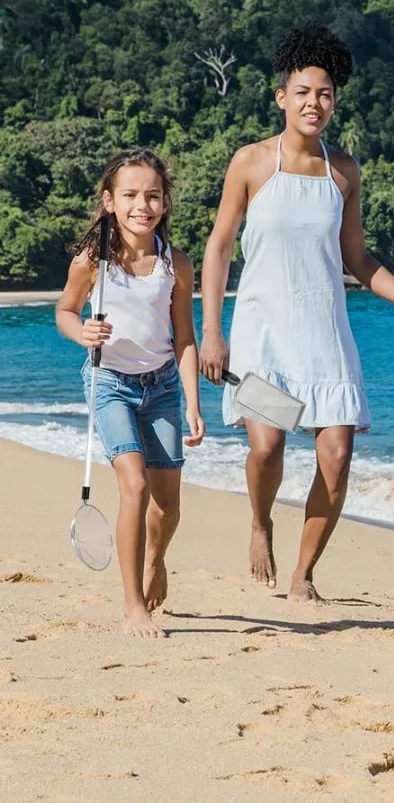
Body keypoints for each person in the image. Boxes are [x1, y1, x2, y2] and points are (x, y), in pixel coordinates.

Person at [200, 22, 394, 601]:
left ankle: (303, 574)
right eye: (302, 92)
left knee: (337, 452)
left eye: (324, 94)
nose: (314, 103)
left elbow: (358, 258)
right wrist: (211, 333)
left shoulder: (343, 171)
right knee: (267, 445)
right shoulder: (250, 163)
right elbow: (220, 247)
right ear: (281, 97)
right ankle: (260, 520)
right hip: (260, 335)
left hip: (325, 334)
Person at [56, 149, 205, 639]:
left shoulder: (175, 265)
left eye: (153, 195)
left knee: (170, 505)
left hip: (162, 387)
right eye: (131, 195)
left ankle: (156, 560)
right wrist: (80, 333)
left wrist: (193, 402)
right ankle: (132, 606)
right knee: (135, 487)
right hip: (109, 384)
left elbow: (184, 337)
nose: (143, 204)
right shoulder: (91, 261)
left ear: (164, 202)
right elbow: (65, 312)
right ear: (109, 201)